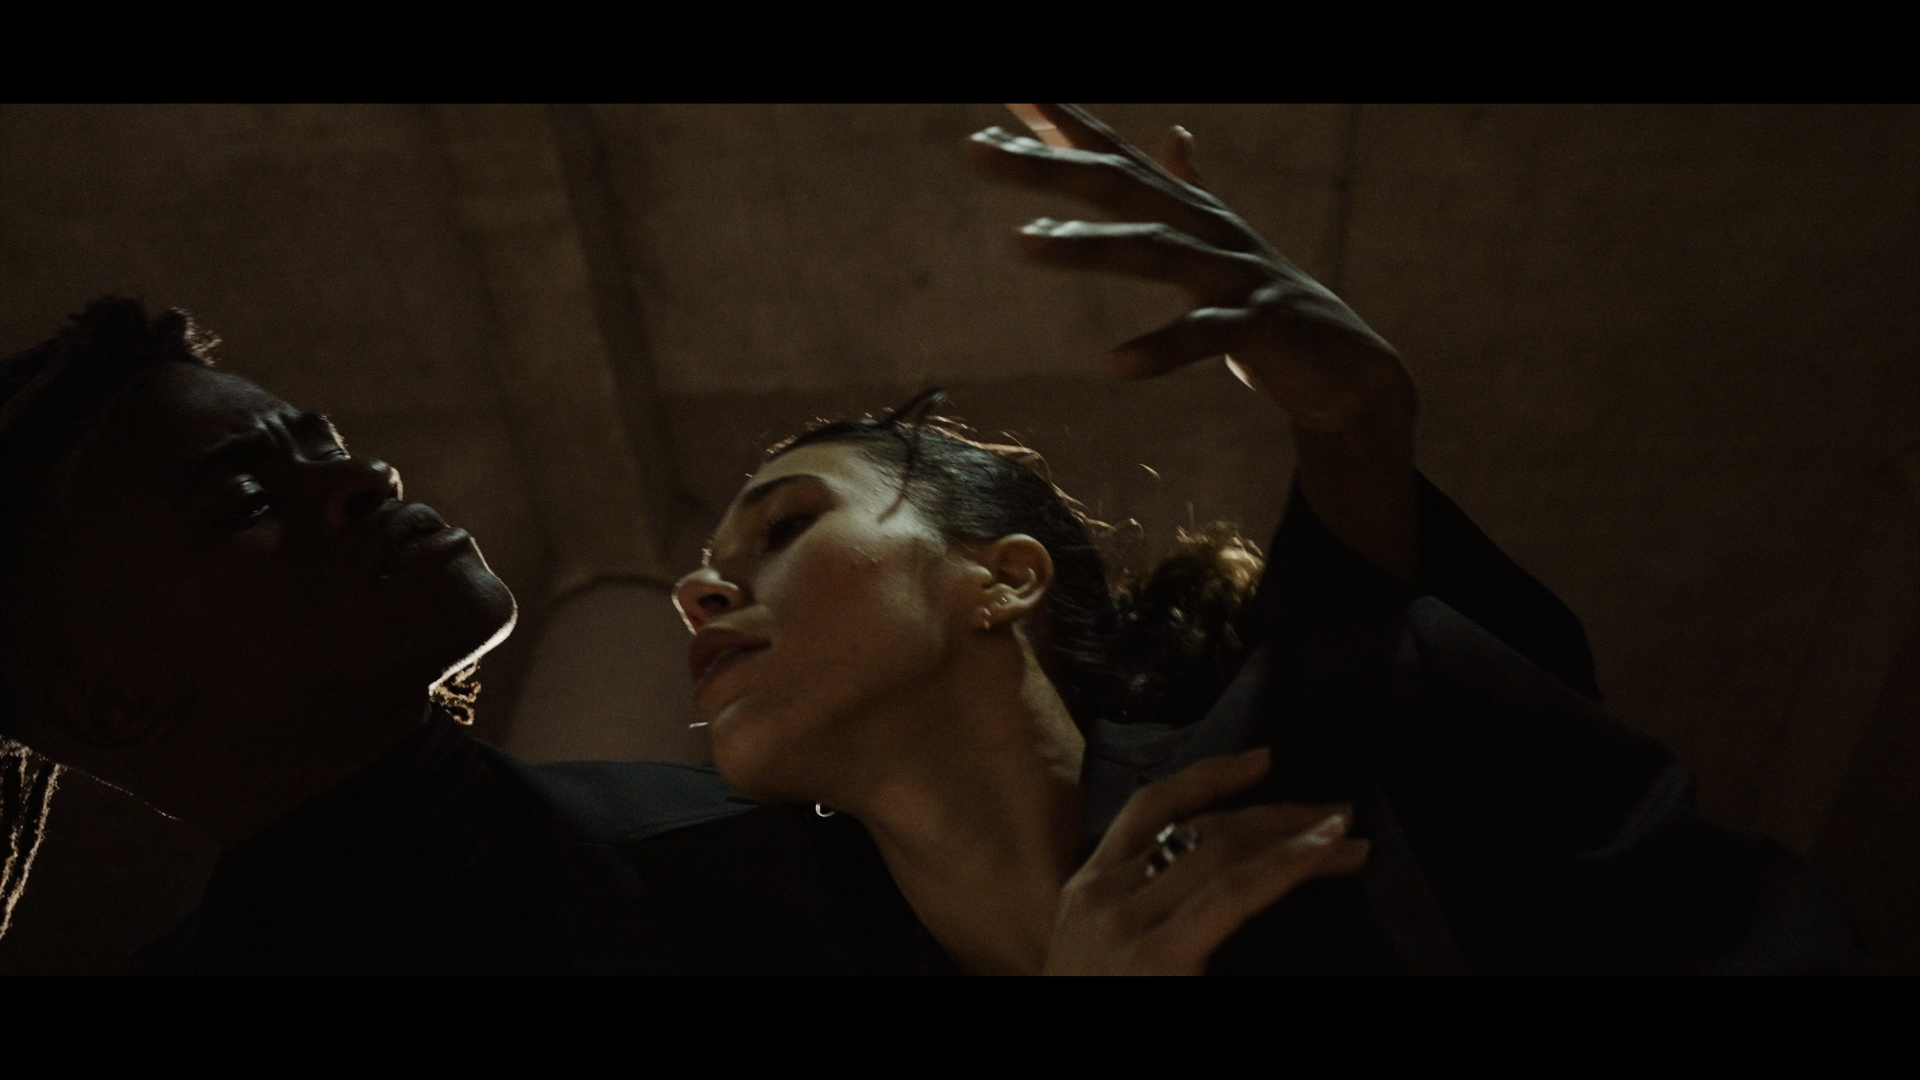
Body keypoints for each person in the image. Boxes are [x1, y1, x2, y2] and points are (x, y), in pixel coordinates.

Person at [668, 104, 1867, 974]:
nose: (699, 591)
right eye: (712, 567)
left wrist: (1358, 423)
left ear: (1002, 578)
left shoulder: (1333, 758)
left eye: (787, 525)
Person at [0, 298, 854, 973]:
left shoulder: (817, 857)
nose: (367, 476)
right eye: (247, 504)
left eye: (325, 445)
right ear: (107, 703)